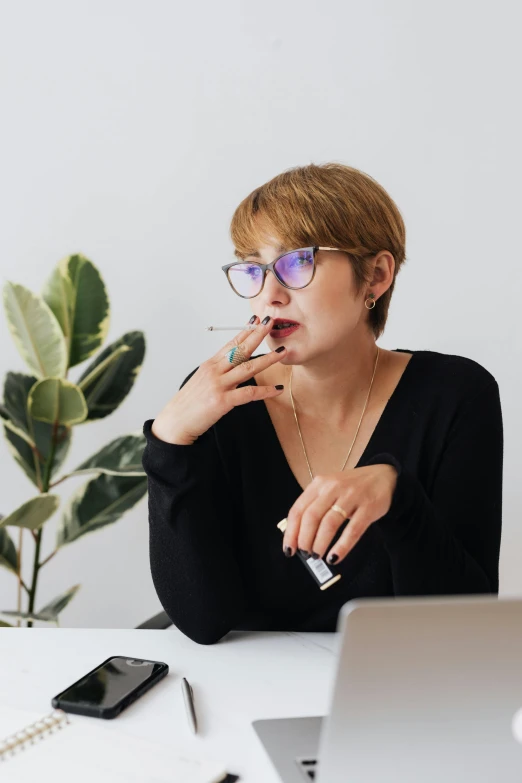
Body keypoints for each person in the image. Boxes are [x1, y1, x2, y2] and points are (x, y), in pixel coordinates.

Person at [141, 162, 503, 645]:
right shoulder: (221, 401)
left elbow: (463, 629)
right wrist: (170, 444)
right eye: (254, 269)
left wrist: (397, 496)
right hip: (244, 696)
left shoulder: (457, 395)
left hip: (392, 693)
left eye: (296, 263)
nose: (268, 296)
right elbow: (205, 622)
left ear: (375, 275)